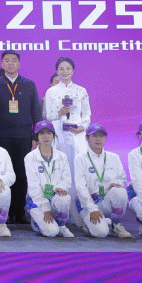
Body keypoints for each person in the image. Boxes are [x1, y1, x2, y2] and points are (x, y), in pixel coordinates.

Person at [0, 50, 42, 223]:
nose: (10, 63)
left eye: (14, 60)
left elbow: (36, 111)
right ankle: (5, 210)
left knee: (21, 174)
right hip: (2, 136)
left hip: (24, 136)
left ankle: (19, 211)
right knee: (3, 173)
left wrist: (35, 135)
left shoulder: (29, 84)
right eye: (7, 60)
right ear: (2, 64)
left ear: (19, 64)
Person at [72, 123, 133, 239]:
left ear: (105, 138)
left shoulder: (114, 157)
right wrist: (92, 208)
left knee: (120, 191)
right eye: (94, 136)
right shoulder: (80, 159)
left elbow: (122, 179)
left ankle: (116, 225)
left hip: (106, 198)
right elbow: (81, 188)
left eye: (101, 136)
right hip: (88, 202)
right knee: (101, 233)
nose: (98, 139)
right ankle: (90, 223)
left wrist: (114, 184)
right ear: (87, 138)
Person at [44, 57, 91, 187]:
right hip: (59, 134)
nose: (65, 71)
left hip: (77, 133)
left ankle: (80, 195)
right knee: (60, 165)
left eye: (68, 68)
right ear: (56, 71)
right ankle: (61, 194)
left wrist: (82, 127)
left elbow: (87, 113)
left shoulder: (81, 90)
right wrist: (59, 113)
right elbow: (47, 116)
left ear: (73, 70)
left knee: (79, 164)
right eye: (61, 69)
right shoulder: (51, 92)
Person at [24, 121, 74, 238]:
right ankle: (36, 222)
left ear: (53, 135)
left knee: (64, 198)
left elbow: (66, 179)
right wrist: (45, 209)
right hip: (37, 201)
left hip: (55, 197)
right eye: (42, 133)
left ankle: (61, 225)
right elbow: (33, 186)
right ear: (37, 137)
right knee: (51, 232)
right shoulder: (30, 157)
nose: (45, 136)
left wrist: (60, 187)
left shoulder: (62, 156)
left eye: (48, 133)